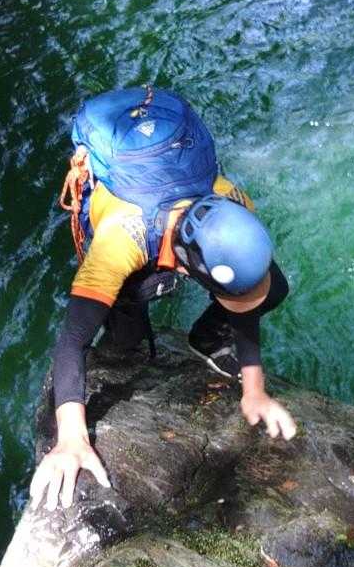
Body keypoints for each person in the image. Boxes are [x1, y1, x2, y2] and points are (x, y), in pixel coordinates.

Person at [30, 86, 296, 512]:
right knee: (126, 337)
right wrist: (71, 437)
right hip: (135, 220)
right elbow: (72, 340)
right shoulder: (121, 241)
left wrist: (254, 389)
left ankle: (206, 338)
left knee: (274, 287)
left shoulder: (233, 204)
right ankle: (127, 329)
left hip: (170, 221)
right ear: (187, 268)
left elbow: (246, 297)